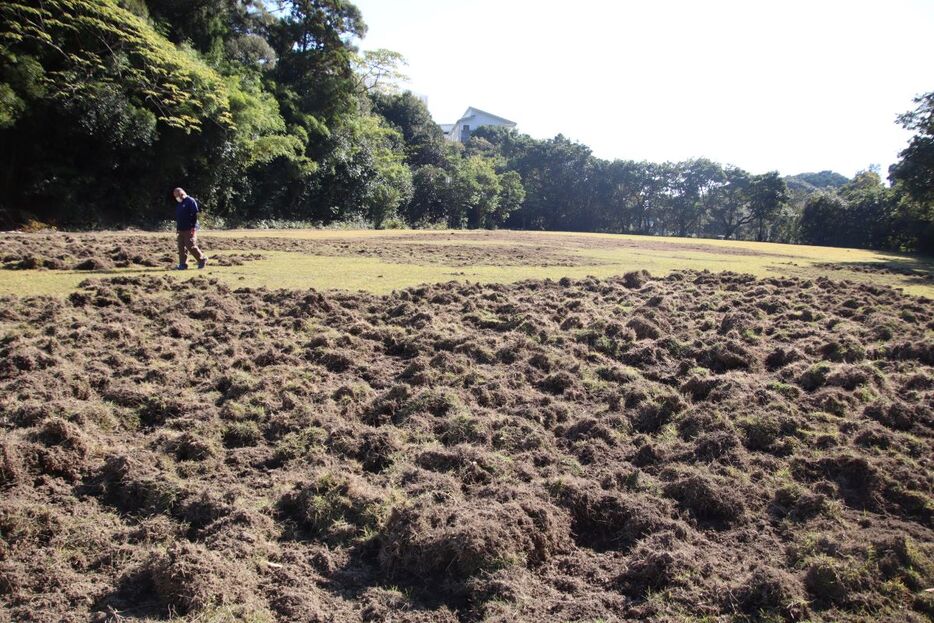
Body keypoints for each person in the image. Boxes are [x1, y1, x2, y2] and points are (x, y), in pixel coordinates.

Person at [173, 187, 207, 270]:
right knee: (181, 246)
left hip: (189, 228)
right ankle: (183, 264)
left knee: (190, 245)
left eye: (177, 196)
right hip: (181, 228)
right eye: (175, 196)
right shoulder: (180, 203)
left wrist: (193, 227)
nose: (177, 198)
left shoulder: (190, 201)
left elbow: (194, 214)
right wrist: (178, 228)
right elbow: (179, 216)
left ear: (182, 194)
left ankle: (202, 259)